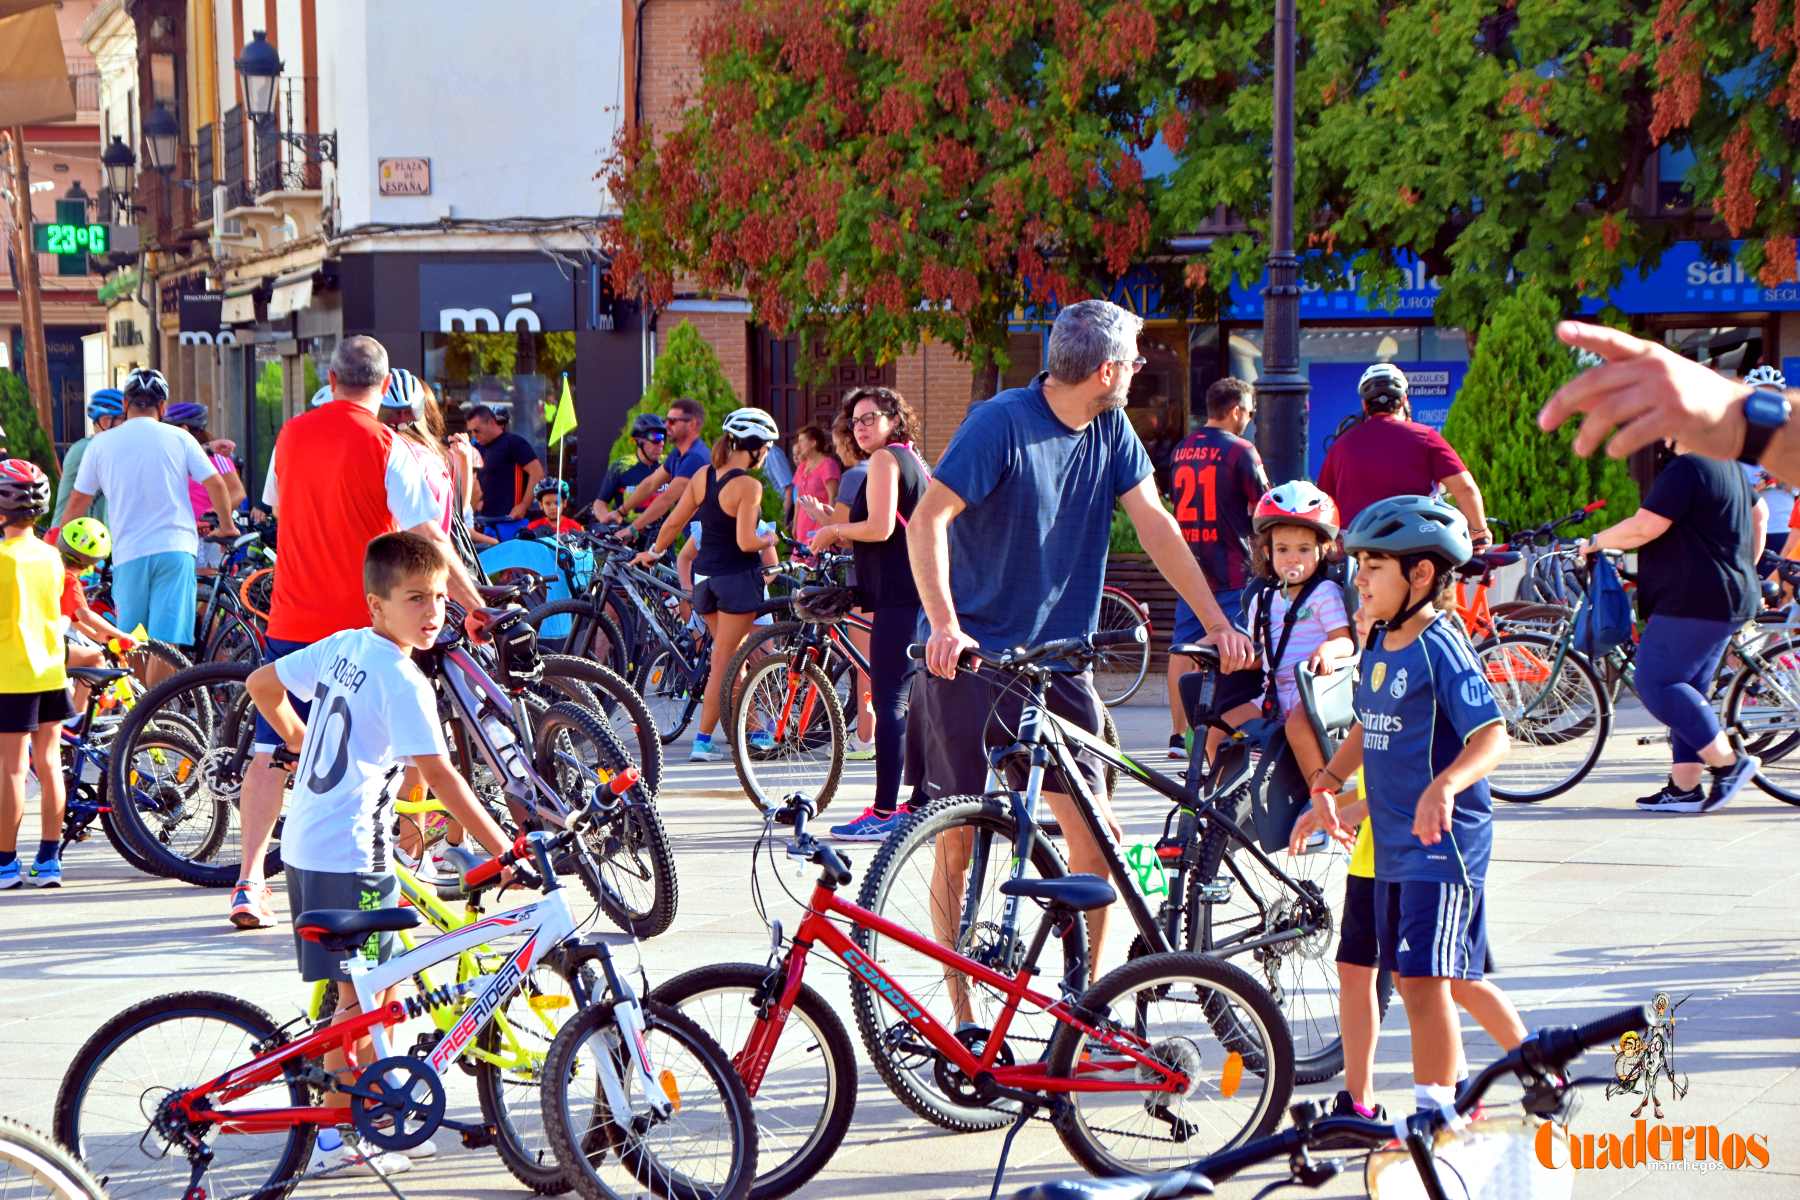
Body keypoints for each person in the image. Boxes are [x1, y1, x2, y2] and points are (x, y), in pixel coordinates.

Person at [909, 299, 1253, 997]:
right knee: (958, 839)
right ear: (1106, 371)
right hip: (970, 658)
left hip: (1058, 663)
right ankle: (962, 1007)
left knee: (1096, 838)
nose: (1139, 370)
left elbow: (1154, 524)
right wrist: (944, 623)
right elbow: (927, 520)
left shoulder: (1111, 429)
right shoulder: (999, 424)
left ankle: (1093, 1002)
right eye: (1134, 360)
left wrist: (1215, 621)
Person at [246, 531, 514, 1177]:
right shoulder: (403, 679)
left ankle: (376, 1117)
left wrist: (298, 739)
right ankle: (336, 1138)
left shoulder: (344, 646)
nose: (433, 612)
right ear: (377, 604)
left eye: (441, 598)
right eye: (415, 598)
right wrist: (504, 849)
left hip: (307, 842)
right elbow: (443, 776)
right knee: (361, 1000)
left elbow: (260, 683)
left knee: (368, 990)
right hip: (351, 853)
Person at [230, 336, 484, 931]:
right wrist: (474, 603)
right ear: (385, 383)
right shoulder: (388, 445)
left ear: (330, 377)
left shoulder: (291, 435)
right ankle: (408, 868)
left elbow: (278, 508)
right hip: (365, 625)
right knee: (409, 751)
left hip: (293, 615)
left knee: (270, 753)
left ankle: (249, 883)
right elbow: (429, 537)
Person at [1309, 495, 1519, 1124]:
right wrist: (1328, 783)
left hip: (1442, 846)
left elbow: (1493, 737)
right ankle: (1454, 1105)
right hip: (1393, 846)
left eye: (1374, 567)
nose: (1360, 580)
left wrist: (1445, 786)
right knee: (1408, 978)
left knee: (1428, 981)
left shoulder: (1442, 647)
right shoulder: (1379, 637)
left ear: (1420, 574)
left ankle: (1440, 1114)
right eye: (1359, 566)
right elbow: (1367, 722)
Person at [1578, 443, 1763, 813]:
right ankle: (1685, 787)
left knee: (1656, 682)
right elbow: (1760, 515)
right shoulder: (1725, 464)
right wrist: (1744, 567)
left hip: (1694, 598)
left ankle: (1728, 764)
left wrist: (1595, 542)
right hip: (1729, 594)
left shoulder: (1686, 468)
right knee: (1687, 688)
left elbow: (1644, 527)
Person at [810, 388, 929, 841]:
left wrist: (835, 529)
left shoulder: (883, 460)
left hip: (899, 595)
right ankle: (919, 802)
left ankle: (883, 813)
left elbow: (880, 527)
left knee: (889, 702)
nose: (859, 427)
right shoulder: (910, 458)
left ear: (894, 419)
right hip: (917, 591)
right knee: (914, 702)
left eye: (870, 418)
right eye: (854, 420)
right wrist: (839, 527)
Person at [631, 408, 781, 762]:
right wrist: (770, 539)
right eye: (767, 449)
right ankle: (703, 740)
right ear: (755, 448)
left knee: (729, 661)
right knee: (725, 660)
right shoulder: (749, 486)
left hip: (706, 582)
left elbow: (673, 523)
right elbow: (746, 542)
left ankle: (746, 729)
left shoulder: (704, 475)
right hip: (736, 582)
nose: (766, 455)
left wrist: (654, 552)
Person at [63, 368, 233, 651]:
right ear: (162, 406)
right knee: (167, 645)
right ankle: (163, 683)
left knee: (131, 641)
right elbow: (216, 483)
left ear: (125, 404)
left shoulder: (101, 444)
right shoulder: (180, 438)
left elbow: (78, 501)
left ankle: (137, 684)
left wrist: (61, 547)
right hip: (176, 548)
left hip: (129, 551)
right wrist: (227, 525)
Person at [1214, 483, 1354, 786]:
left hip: (1311, 694)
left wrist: (1328, 651)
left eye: (1303, 549)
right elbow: (1260, 654)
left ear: (1322, 550)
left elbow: (1344, 640)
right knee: (1217, 731)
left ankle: (1321, 794)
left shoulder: (1325, 593)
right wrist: (1232, 655)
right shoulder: (1263, 599)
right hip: (1270, 697)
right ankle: (1226, 796)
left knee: (1298, 728)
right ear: (1268, 552)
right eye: (1282, 549)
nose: (1292, 559)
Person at [1541, 321, 1800, 475]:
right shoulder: (1714, 469)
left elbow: (1646, 526)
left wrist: (1740, 418)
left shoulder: (1687, 471)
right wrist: (1741, 422)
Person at [1166, 377, 1269, 757]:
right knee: (1231, 649)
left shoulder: (1182, 449)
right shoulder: (1241, 450)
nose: (1250, 419)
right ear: (1236, 410)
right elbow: (1265, 507)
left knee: (1182, 649)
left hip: (1190, 569)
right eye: (1250, 412)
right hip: (1232, 570)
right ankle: (1219, 731)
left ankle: (1178, 736)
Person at [1317, 363, 1491, 548]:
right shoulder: (1426, 437)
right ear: (1403, 400)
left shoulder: (1341, 445)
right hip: (1416, 544)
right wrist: (1479, 532)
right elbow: (1464, 488)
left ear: (1365, 405)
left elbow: (1323, 503)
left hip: (1357, 548)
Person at [0, 461, 70, 890]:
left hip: (11, 675)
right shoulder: (51, 555)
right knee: (49, 764)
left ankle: (5, 863)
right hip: (50, 672)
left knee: (11, 769)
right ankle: (49, 860)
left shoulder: (2, 559)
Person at [602, 397, 711, 539]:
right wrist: (620, 511)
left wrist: (632, 529)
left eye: (672, 421)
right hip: (697, 538)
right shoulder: (679, 453)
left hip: (709, 538)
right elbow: (651, 483)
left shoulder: (695, 458)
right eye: (666, 420)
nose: (666, 425)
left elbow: (666, 500)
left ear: (692, 424)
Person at [55, 518, 134, 711]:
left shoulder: (51, 570)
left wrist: (96, 635)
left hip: (24, 643)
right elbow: (85, 615)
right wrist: (121, 634)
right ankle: (78, 720)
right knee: (96, 659)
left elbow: (72, 617)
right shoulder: (70, 581)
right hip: (43, 649)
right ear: (92, 561)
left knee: (68, 692)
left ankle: (71, 717)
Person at [165, 403, 247, 555]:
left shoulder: (216, 457)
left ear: (184, 429)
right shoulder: (172, 457)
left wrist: (212, 515)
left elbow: (237, 492)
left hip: (209, 536)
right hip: (177, 535)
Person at [466, 402, 544, 541]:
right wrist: (478, 501)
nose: (474, 435)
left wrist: (524, 505)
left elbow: (537, 473)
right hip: (486, 523)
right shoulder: (478, 447)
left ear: (491, 422)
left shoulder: (514, 443)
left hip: (512, 522)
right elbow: (478, 479)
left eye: (477, 430)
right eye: (471, 431)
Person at [51, 389, 124, 527]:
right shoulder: (85, 449)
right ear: (101, 422)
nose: (122, 426)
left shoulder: (110, 449)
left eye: (123, 419)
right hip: (76, 534)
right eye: (121, 419)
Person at [590, 413, 667, 523]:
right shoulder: (621, 467)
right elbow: (600, 503)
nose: (661, 443)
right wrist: (606, 521)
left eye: (663, 437)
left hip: (664, 530)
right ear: (639, 441)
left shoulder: (669, 463)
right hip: (628, 531)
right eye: (656, 437)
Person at [789, 424, 842, 548]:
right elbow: (799, 498)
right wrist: (795, 523)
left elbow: (833, 497)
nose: (799, 445)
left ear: (813, 443)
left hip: (820, 522)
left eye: (802, 441)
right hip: (803, 523)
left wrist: (829, 526)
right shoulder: (802, 466)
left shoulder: (828, 465)